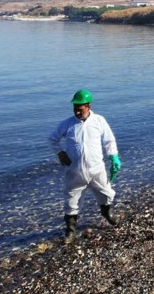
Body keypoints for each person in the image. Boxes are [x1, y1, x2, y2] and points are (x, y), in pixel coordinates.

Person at [49, 89, 122, 243]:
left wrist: (114, 157)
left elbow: (109, 140)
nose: (77, 111)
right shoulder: (68, 124)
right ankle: (70, 231)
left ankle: (107, 214)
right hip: (75, 171)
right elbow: (52, 139)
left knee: (106, 194)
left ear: (88, 106)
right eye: (75, 108)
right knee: (71, 200)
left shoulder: (99, 121)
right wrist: (60, 153)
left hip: (96, 169)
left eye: (80, 108)